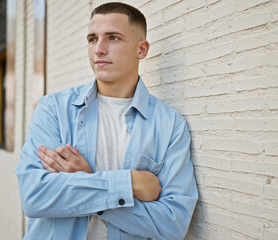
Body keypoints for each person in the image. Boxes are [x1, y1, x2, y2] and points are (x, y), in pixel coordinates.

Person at [16, 2, 198, 239]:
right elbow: (35, 197)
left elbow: (172, 223)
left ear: (141, 50)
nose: (99, 49)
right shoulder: (54, 110)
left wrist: (88, 181)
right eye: (92, 39)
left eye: (112, 38)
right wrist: (129, 184)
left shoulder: (169, 124)